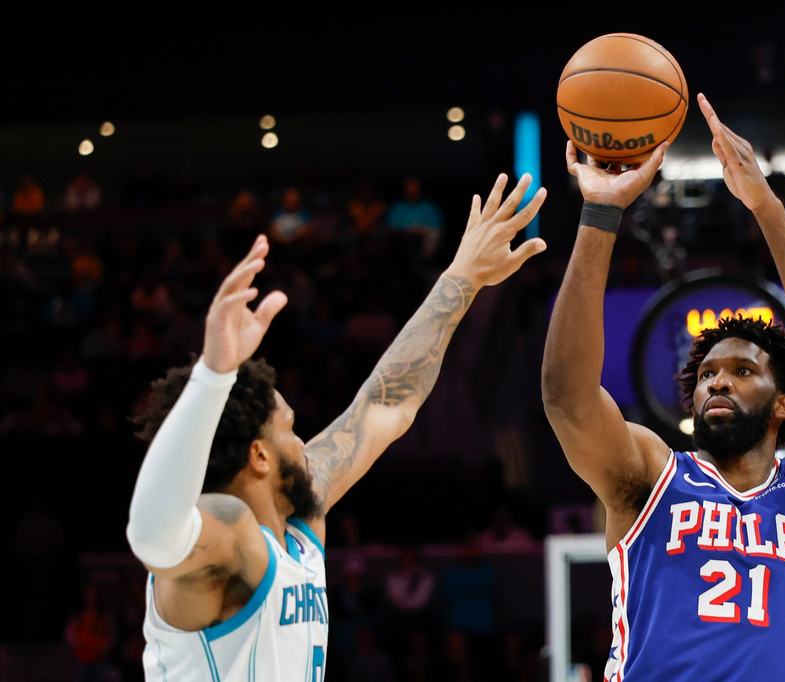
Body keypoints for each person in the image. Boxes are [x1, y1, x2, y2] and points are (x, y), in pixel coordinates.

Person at [125, 172, 547, 681]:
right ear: (259, 456)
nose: (305, 443)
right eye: (290, 429)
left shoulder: (300, 520)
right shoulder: (226, 535)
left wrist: (461, 279)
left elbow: (383, 405)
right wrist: (212, 378)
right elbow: (151, 537)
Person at [542, 93, 785, 681]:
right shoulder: (650, 475)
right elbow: (566, 398)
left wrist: (766, 209)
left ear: (784, 403)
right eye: (707, 375)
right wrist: (600, 213)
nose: (718, 380)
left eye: (743, 371)